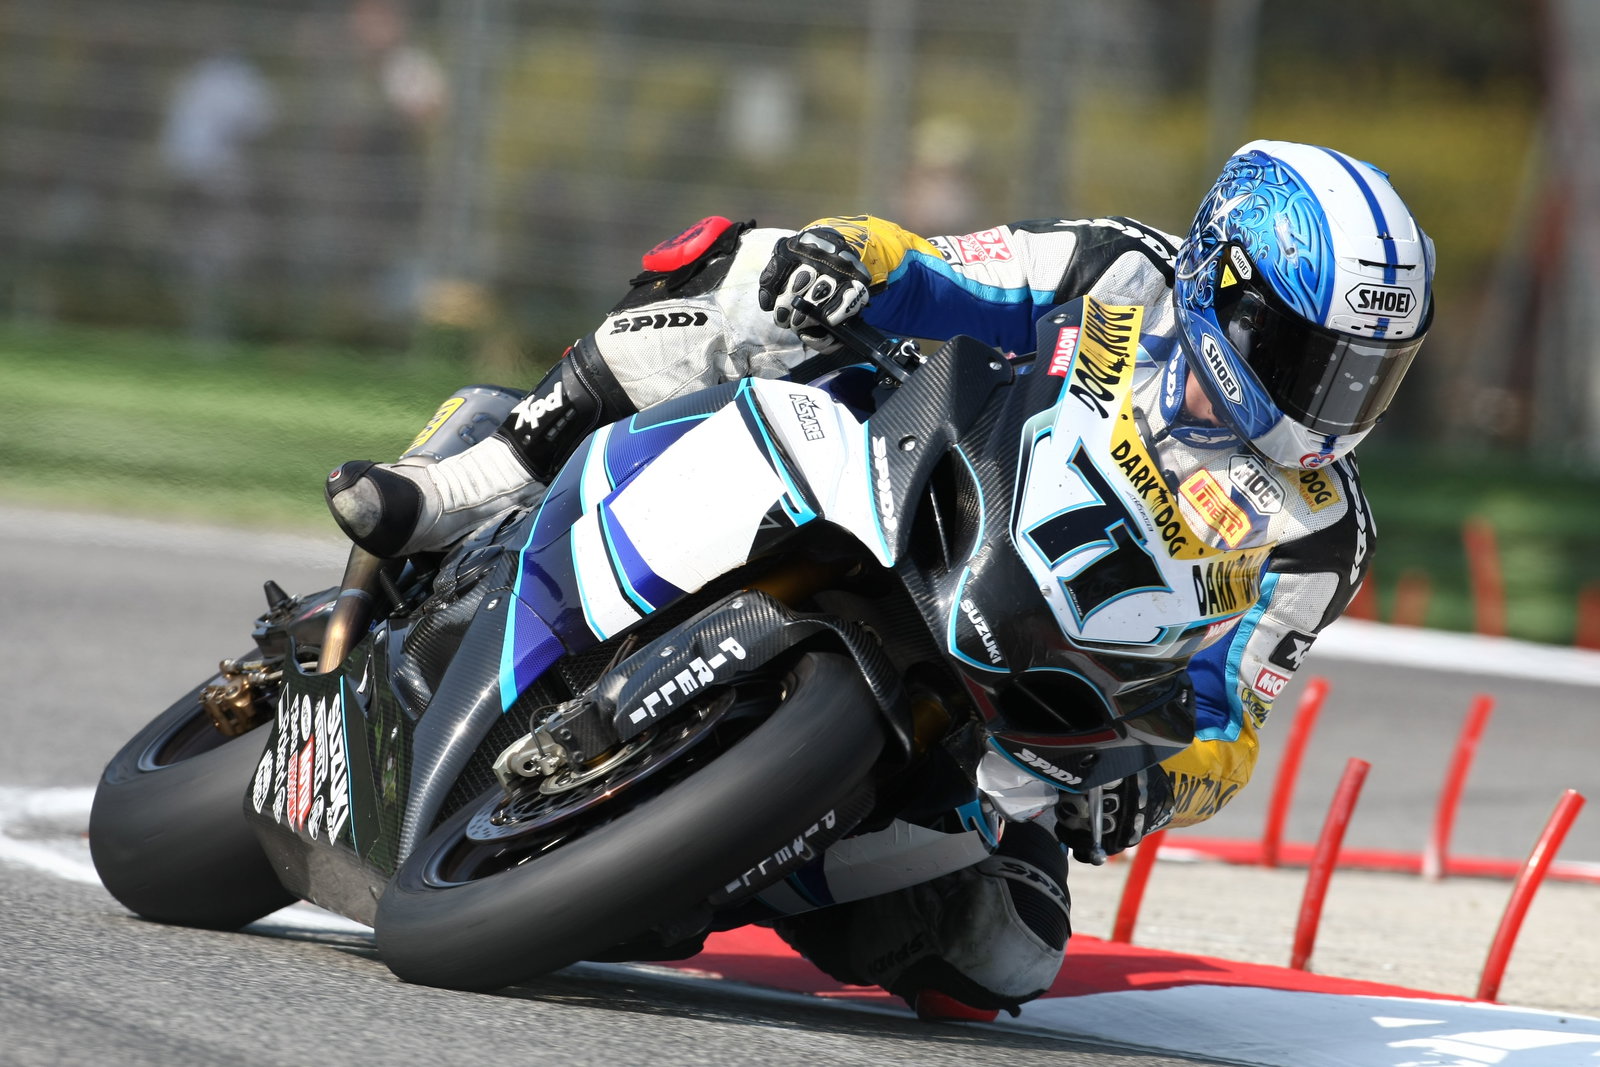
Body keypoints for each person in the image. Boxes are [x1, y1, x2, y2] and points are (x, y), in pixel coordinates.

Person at [326, 140, 1434, 1020]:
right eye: (1305, 359)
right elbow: (942, 269)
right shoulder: (1123, 270)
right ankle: (486, 462)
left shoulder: (1320, 535)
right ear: (1218, 286)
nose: (1330, 406)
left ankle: (711, 845)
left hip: (1003, 713)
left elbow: (1227, 716)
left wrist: (1156, 786)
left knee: (1005, 959)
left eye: (1367, 377)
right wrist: (850, 256)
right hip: (906, 479)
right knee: (749, 269)